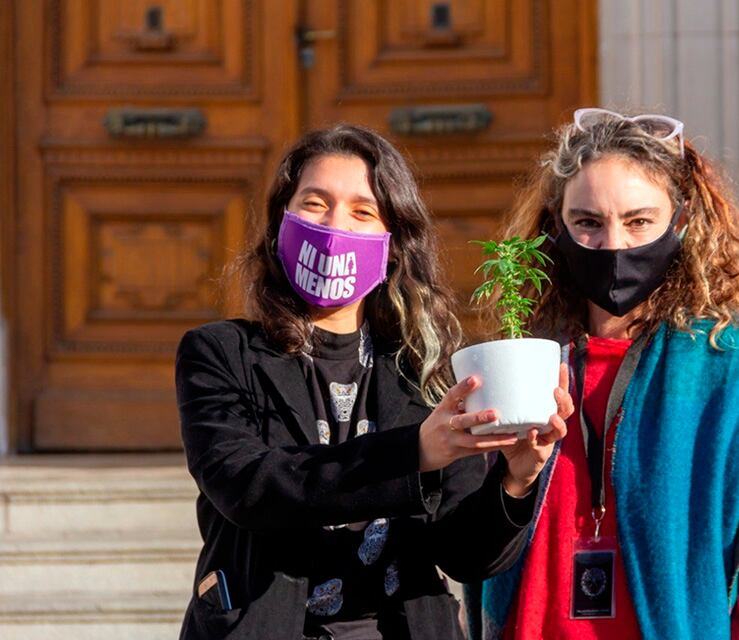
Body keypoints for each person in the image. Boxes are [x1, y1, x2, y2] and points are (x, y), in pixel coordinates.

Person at [175, 124, 570, 640]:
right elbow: (249, 488)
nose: (335, 226)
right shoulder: (221, 352)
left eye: (362, 212)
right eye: (315, 204)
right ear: (279, 225)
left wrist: (516, 479)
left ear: (392, 246)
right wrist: (414, 454)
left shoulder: (425, 368)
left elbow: (465, 556)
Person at [468, 109, 739, 640]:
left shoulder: (737, 373)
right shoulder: (519, 366)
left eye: (639, 221)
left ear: (680, 222)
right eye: (588, 223)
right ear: (555, 226)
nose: (615, 245)